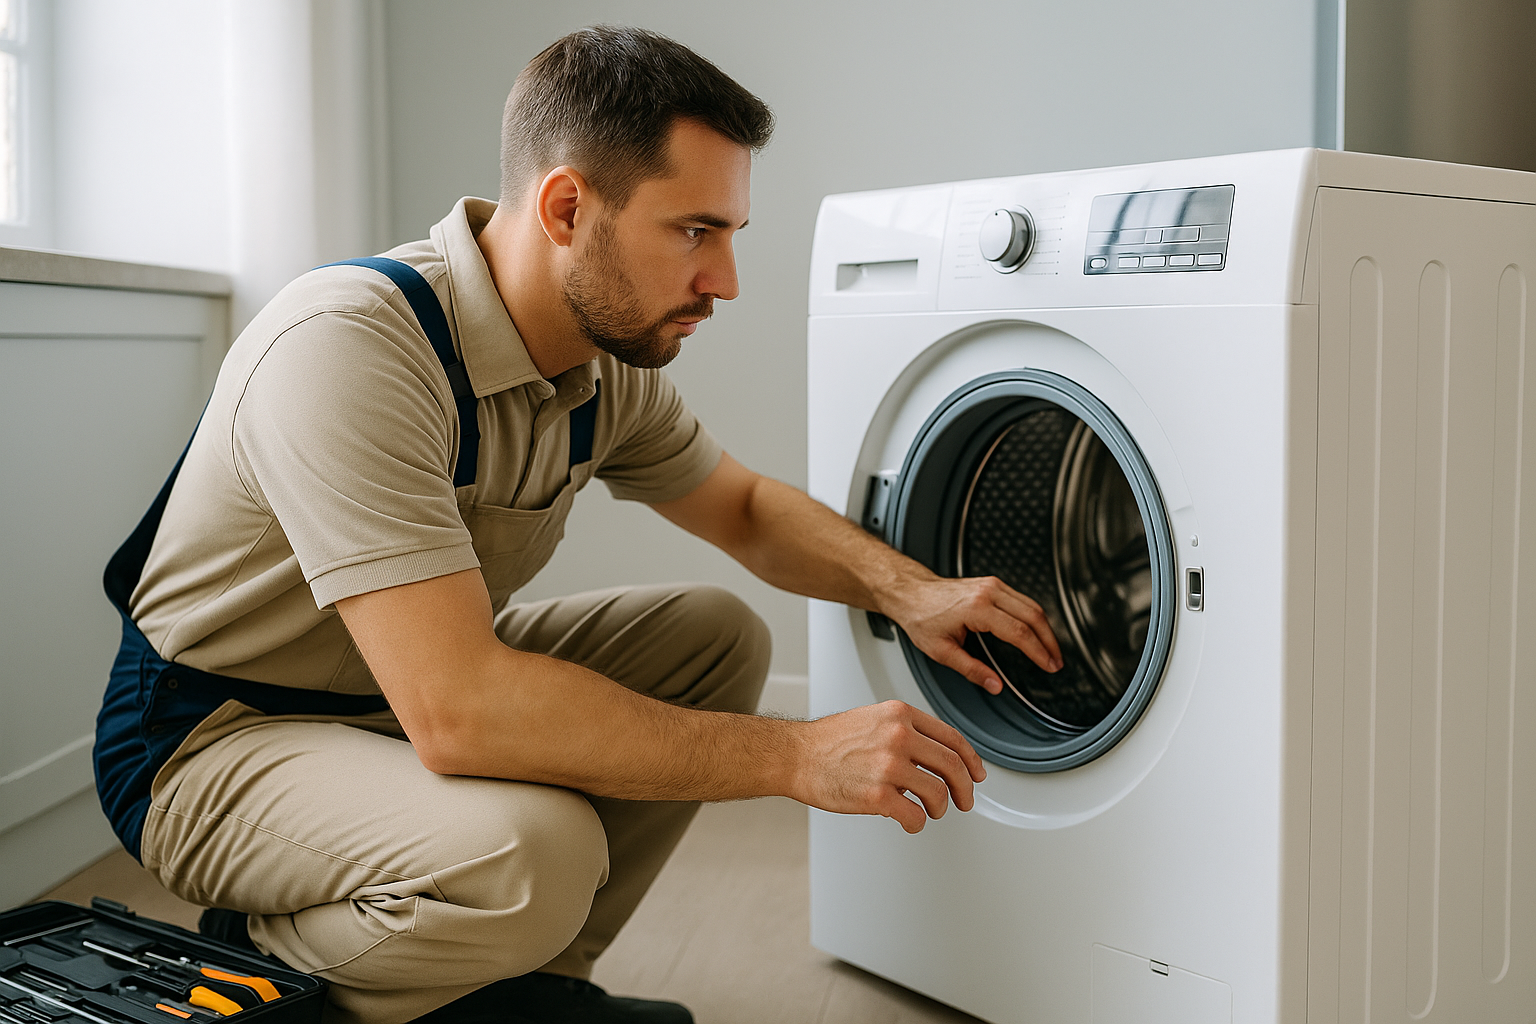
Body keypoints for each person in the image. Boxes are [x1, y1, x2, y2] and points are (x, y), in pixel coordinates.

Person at [92, 25, 1061, 1024]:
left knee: (712, 636)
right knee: (535, 853)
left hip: (386, 696)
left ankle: (525, 990)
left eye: (731, 234)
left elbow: (744, 508)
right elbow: (459, 709)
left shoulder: (600, 370)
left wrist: (914, 589)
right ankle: (264, 967)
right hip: (212, 736)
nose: (725, 281)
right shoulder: (351, 346)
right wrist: (799, 754)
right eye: (695, 232)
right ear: (566, 208)